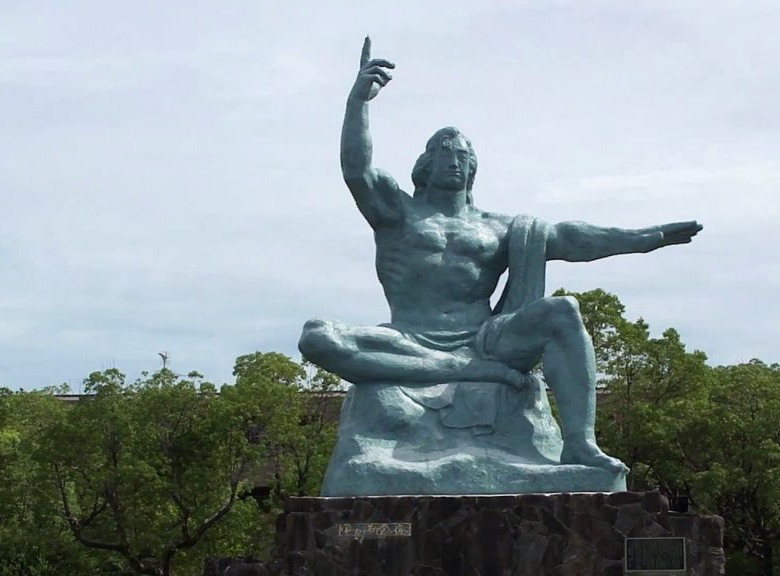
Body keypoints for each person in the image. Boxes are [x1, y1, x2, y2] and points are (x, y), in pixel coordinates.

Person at [299, 38, 701, 473]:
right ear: (425, 164)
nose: (455, 161)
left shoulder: (500, 227)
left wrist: (648, 236)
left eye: (464, 155)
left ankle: (580, 444)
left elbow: (572, 239)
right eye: (444, 153)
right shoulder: (397, 212)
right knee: (317, 336)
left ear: (474, 168)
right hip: (408, 338)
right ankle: (460, 370)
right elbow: (356, 170)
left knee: (563, 312)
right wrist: (359, 102)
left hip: (486, 339)